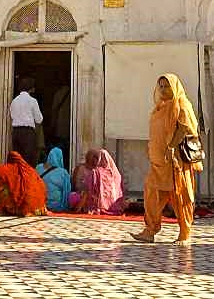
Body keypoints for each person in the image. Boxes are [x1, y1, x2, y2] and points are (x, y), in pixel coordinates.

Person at [133, 73, 202, 244]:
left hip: (175, 162)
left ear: (174, 87)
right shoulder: (160, 107)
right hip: (159, 162)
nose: (163, 89)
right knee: (152, 194)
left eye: (167, 86)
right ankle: (150, 230)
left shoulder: (181, 104)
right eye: (161, 86)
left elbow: (185, 128)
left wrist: (171, 147)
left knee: (180, 196)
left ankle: (185, 233)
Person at [0, 150, 49, 216]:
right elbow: (42, 186)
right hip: (38, 208)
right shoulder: (31, 170)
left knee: (1, 183)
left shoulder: (10, 169)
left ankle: (11, 209)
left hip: (23, 208)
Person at [74, 149, 126, 215]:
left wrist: (78, 209)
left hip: (98, 208)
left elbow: (87, 192)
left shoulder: (95, 172)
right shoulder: (116, 175)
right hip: (115, 208)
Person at [9, 77, 43, 166]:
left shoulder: (14, 101)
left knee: (17, 161)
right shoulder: (32, 101)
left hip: (16, 133)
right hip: (28, 134)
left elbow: (12, 115)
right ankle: (26, 180)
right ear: (31, 88)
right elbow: (39, 119)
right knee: (28, 162)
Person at [37, 146, 72, 212]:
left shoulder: (38, 167)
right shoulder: (63, 173)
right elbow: (67, 191)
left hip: (40, 204)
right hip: (56, 206)